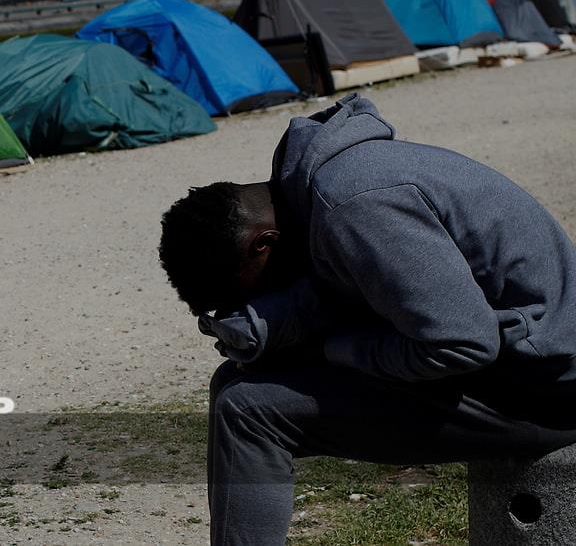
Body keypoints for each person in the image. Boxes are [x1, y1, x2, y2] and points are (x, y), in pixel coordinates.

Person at [158, 94, 576, 545]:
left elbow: (463, 344)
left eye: (250, 289)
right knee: (233, 381)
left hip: (547, 395)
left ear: (264, 243)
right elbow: (361, 290)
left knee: (250, 411)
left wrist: (328, 350)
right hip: (519, 368)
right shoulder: (319, 182)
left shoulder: (354, 207)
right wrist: (272, 325)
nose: (259, 295)